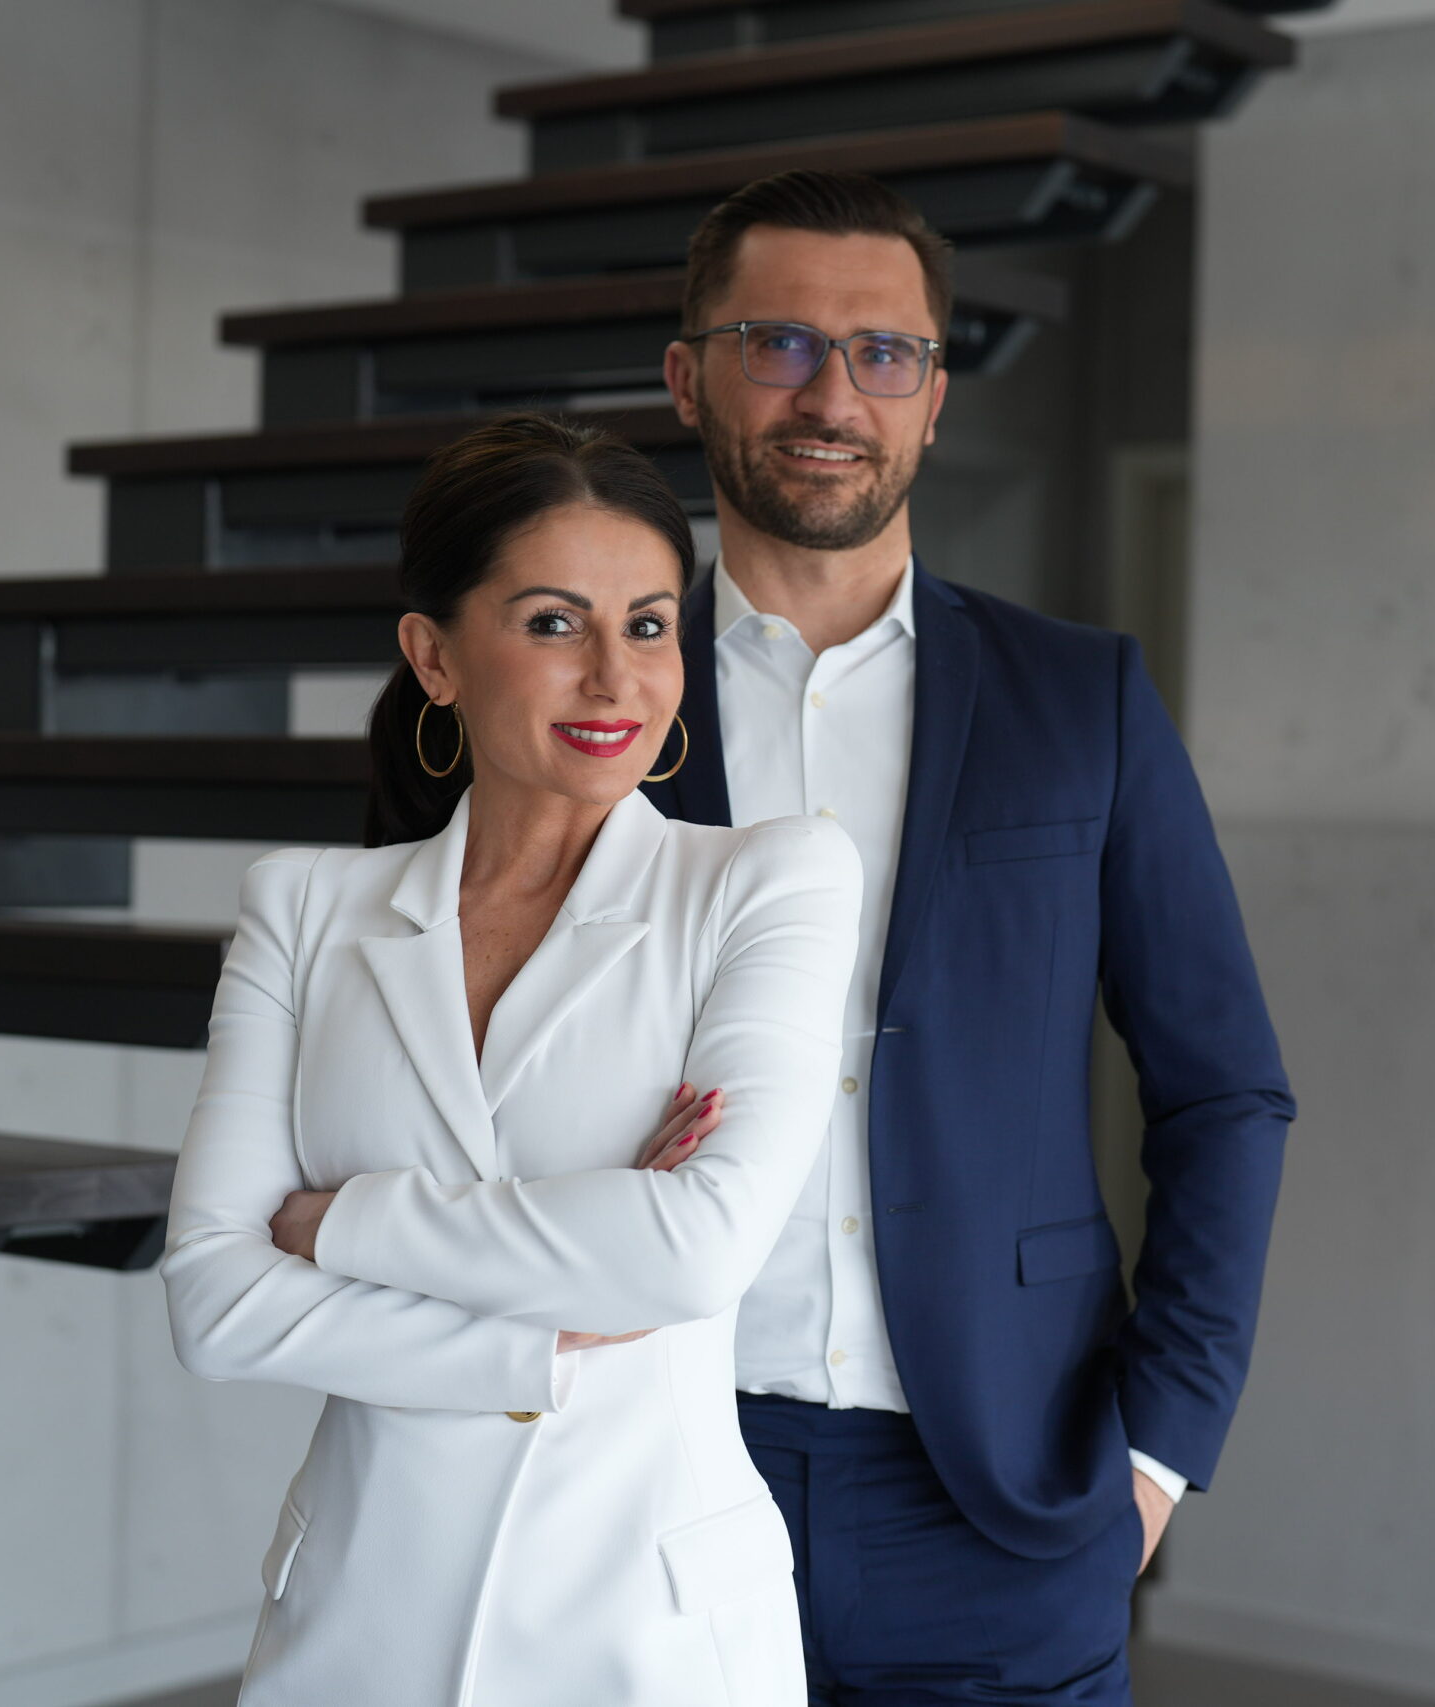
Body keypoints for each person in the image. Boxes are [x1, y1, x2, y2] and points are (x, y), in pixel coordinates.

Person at [645, 170, 1296, 1704]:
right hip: (655, 1468)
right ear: (687, 378)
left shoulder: (1081, 700)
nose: (833, 395)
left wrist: (1158, 1452)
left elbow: (1223, 1091)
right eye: (779, 343)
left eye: (885, 352)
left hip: (1004, 1496)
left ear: (934, 398)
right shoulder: (603, 702)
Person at [158, 412, 862, 1706]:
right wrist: (547, 1335)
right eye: (553, 623)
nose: (614, 677)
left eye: (648, 625)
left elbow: (696, 1253)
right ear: (433, 655)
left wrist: (337, 1224)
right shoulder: (305, 910)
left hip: (646, 1634)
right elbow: (214, 1304)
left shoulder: (768, 882)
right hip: (358, 1624)